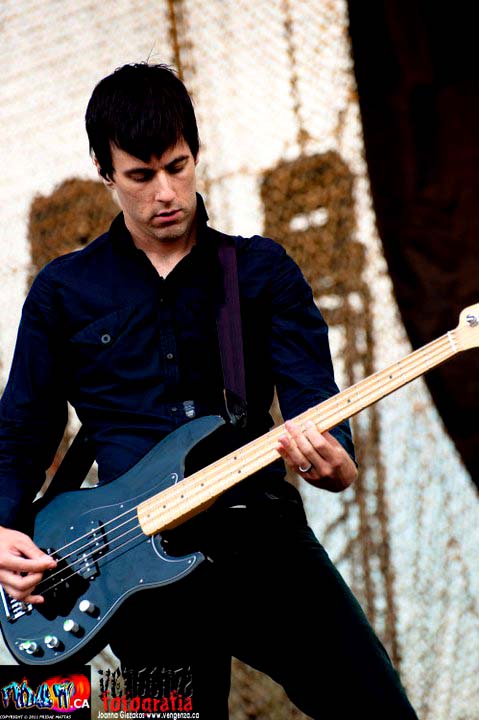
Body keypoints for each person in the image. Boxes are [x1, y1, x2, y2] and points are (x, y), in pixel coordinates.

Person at [0, 63, 418, 719]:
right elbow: (22, 431)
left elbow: (315, 399)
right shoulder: (63, 291)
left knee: (379, 711)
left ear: (195, 154)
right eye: (140, 176)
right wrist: (1, 527)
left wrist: (334, 460)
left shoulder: (259, 271)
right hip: (129, 570)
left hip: (260, 537)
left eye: (177, 166)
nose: (165, 192)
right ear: (105, 172)